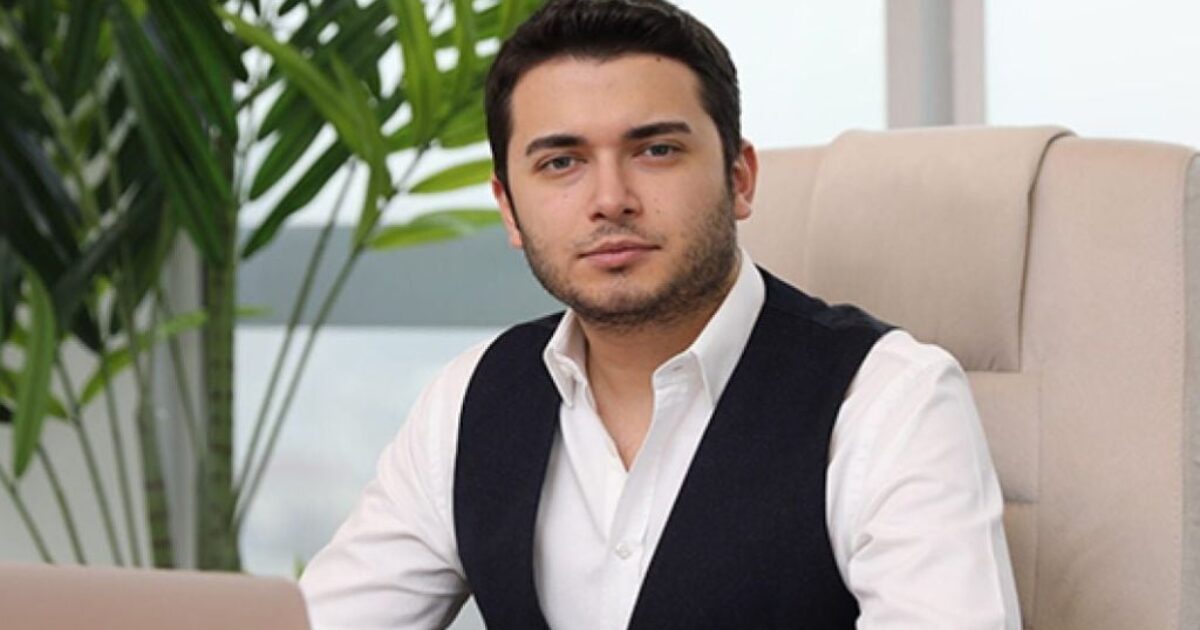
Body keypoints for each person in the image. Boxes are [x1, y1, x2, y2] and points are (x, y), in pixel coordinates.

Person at [299, 0, 1021, 628]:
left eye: (656, 150)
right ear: (508, 209)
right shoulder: (467, 403)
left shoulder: (891, 400)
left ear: (739, 179)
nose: (610, 198)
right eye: (561, 163)